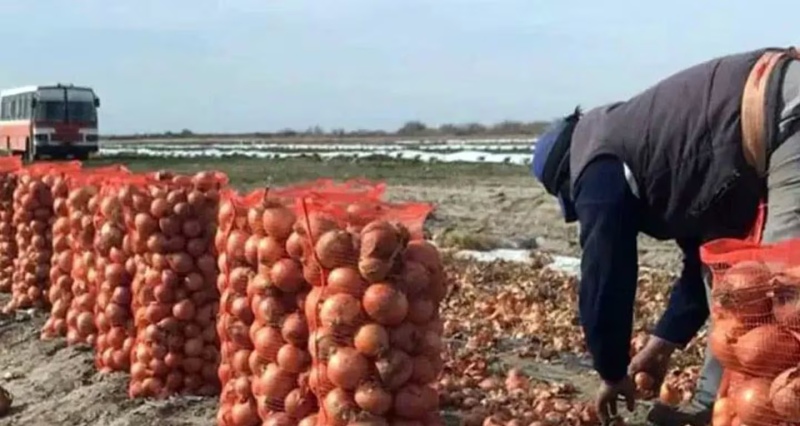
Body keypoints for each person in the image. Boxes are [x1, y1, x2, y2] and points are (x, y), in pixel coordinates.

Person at [531, 46, 800, 426]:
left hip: (787, 114)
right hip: (770, 116)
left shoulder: (593, 163)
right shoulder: (662, 153)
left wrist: (611, 370)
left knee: (782, 294)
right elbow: (702, 265)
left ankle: (765, 415)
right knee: (736, 289)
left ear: (566, 180)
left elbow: (606, 272)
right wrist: (664, 342)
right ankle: (716, 407)